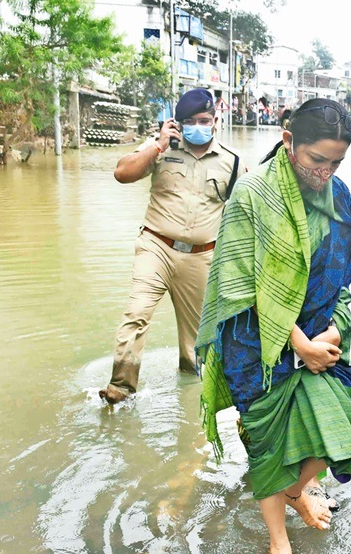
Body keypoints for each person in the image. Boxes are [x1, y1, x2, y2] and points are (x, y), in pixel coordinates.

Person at [196, 98, 351, 554]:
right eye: (318, 161)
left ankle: (296, 491)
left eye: (337, 162)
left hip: (317, 337)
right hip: (256, 348)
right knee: (267, 447)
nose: (325, 172)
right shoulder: (251, 195)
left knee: (343, 424)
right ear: (289, 142)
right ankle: (279, 544)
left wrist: (335, 328)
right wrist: (298, 345)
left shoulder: (341, 197)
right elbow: (238, 285)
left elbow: (341, 277)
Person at [98, 88, 243, 404]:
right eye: (189, 121)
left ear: (215, 120)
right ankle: (120, 389)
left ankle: (190, 397)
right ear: (177, 123)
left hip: (202, 257)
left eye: (204, 120)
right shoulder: (159, 149)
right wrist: (159, 145)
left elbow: (247, 210)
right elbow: (122, 173)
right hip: (156, 248)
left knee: (195, 343)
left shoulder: (232, 162)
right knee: (137, 312)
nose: (198, 126)